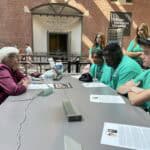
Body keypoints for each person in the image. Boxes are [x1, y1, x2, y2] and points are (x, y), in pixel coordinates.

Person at [117, 37, 150, 111]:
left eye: (146, 53)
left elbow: (134, 100)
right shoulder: (147, 73)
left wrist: (131, 88)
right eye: (143, 52)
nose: (142, 56)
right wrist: (140, 91)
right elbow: (120, 88)